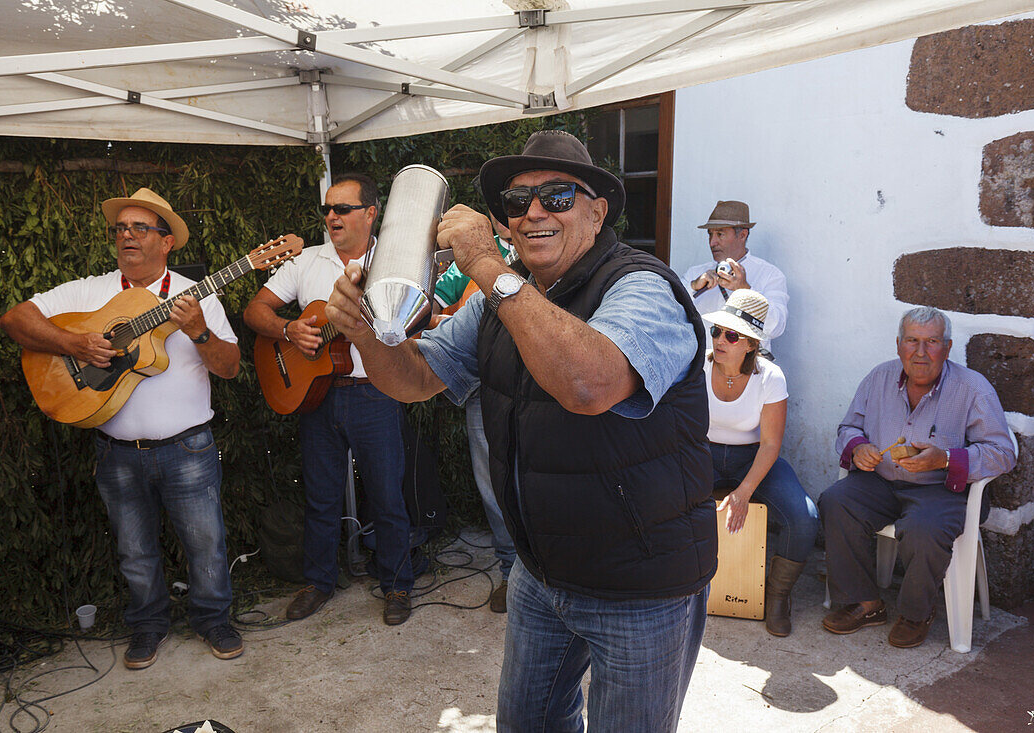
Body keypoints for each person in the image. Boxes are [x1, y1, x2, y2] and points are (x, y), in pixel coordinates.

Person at [325, 130, 716, 732]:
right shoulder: (499, 303)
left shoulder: (643, 287)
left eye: (557, 196)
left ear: (596, 209)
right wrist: (364, 332)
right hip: (541, 571)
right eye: (516, 201)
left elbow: (589, 384)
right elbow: (414, 379)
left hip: (641, 582)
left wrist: (483, 264)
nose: (532, 212)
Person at [0, 187, 247, 669]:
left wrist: (198, 331)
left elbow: (231, 367)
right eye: (120, 228)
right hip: (116, 450)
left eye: (140, 228)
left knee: (207, 545)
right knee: (134, 549)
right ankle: (148, 625)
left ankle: (214, 619)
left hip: (188, 448)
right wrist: (74, 344)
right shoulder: (90, 290)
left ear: (167, 241)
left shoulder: (197, 299)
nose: (127, 236)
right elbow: (15, 319)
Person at [243, 172, 414, 626]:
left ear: (371, 213)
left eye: (342, 209)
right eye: (327, 209)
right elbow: (254, 310)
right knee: (320, 496)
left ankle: (397, 583)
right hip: (316, 396)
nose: (331, 217)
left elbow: (419, 314)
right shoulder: (306, 262)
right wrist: (288, 329)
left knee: (386, 495)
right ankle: (317, 582)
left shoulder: (394, 263)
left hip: (375, 393)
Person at [820, 306, 1016, 648]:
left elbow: (1003, 453)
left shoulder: (973, 389)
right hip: (880, 483)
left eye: (932, 342)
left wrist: (946, 459)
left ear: (948, 347)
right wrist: (858, 446)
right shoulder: (878, 378)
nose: (921, 352)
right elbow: (848, 425)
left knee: (923, 528)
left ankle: (916, 613)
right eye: (912, 340)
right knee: (835, 501)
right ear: (898, 344)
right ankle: (866, 603)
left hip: (944, 491)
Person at [701, 288, 818, 637]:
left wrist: (743, 491)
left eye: (731, 335)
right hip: (701, 452)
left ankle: (778, 596)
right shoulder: (698, 365)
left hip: (752, 457)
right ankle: (671, 587)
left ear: (751, 344)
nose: (720, 339)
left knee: (804, 517)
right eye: (717, 331)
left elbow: (770, 444)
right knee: (656, 495)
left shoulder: (770, 376)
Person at [433, 207, 517, 614]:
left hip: (536, 382)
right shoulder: (468, 255)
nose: (508, 217)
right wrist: (449, 319)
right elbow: (432, 305)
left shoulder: (542, 250)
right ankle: (509, 572)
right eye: (499, 208)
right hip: (484, 386)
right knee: (492, 485)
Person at [683, 200, 789, 350]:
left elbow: (776, 327)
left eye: (720, 234)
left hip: (748, 370)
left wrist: (745, 291)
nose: (712, 242)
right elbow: (670, 312)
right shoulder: (695, 274)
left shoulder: (770, 275)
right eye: (710, 234)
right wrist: (693, 287)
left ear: (743, 235)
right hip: (703, 369)